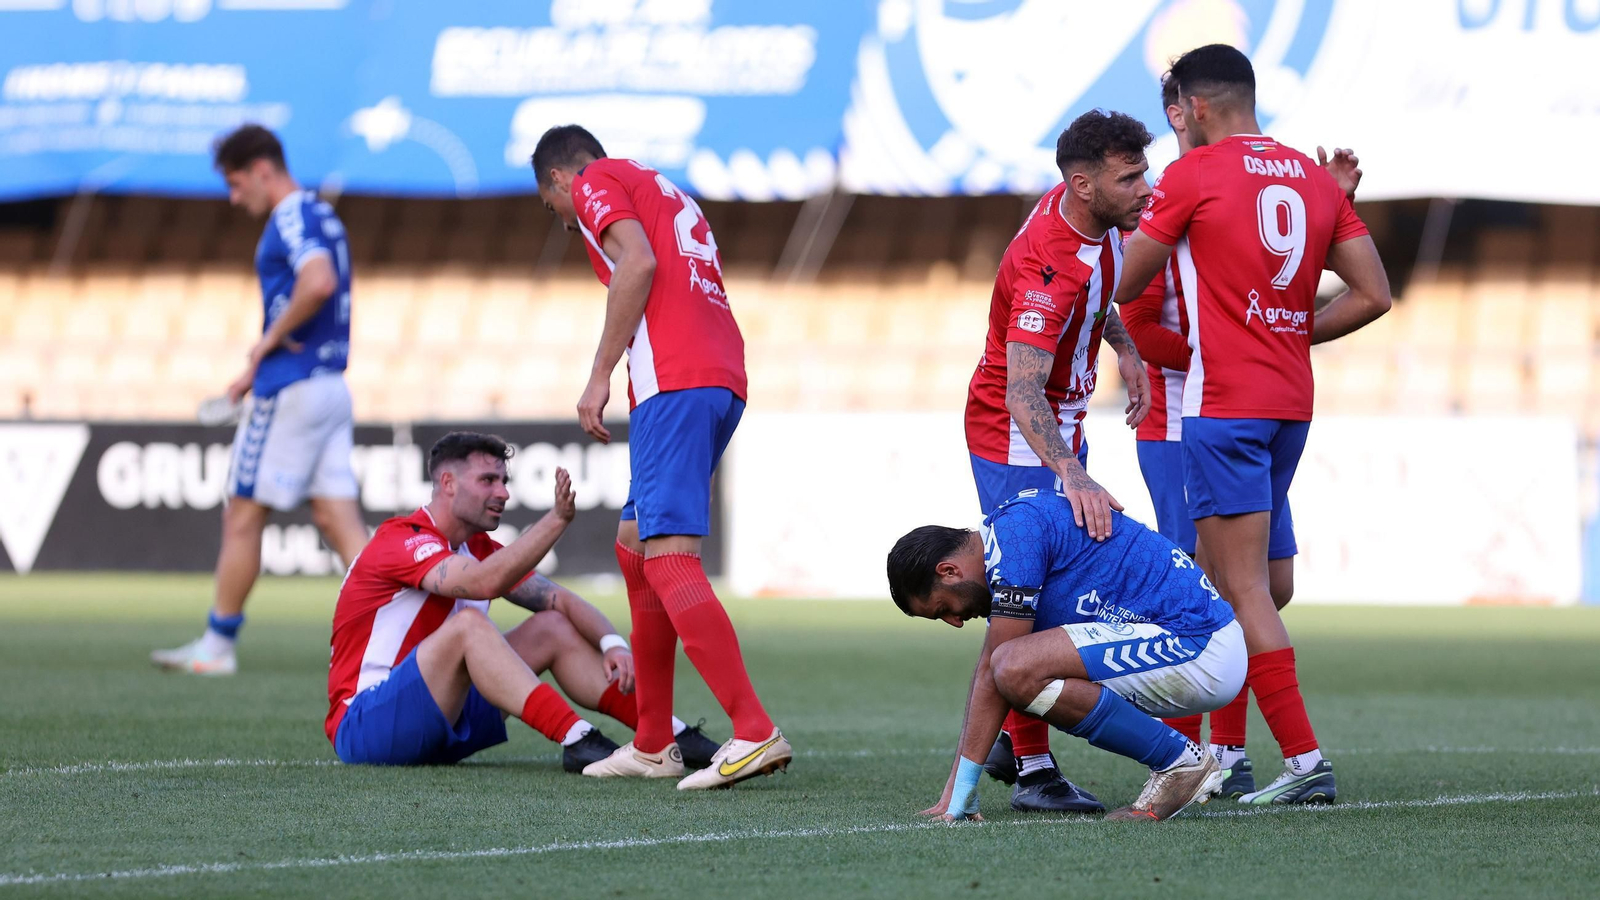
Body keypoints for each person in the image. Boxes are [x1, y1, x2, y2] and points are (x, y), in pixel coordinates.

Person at [1115, 45, 1392, 804]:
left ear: (1195, 108)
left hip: (1223, 406)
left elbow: (1128, 283)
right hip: (1289, 402)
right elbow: (1374, 294)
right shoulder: (1310, 176)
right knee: (1261, 583)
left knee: (1239, 592)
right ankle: (1232, 755)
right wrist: (1291, 331)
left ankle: (1302, 763)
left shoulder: (1190, 177)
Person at [532, 125, 789, 789]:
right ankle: (652, 741)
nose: (562, 219)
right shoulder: (664, 188)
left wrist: (598, 375)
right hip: (715, 374)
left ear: (560, 179)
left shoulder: (592, 182)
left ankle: (754, 729)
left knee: (670, 556)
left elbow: (638, 265)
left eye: (550, 204)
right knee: (633, 544)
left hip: (674, 380)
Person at [959, 109, 1155, 813]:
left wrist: (1125, 349)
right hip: (1016, 432)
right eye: (1129, 177)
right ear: (1081, 184)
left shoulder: (1094, 224)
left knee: (1048, 591)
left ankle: (1020, 740)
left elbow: (1096, 297)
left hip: (1059, 423)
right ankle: (1035, 773)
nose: (1146, 188)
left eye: (1143, 172)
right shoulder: (1049, 260)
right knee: (1030, 599)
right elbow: (1018, 389)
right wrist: (1071, 470)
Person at [326, 431, 721, 771]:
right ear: (447, 483)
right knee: (469, 629)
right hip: (365, 726)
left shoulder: (476, 547)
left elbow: (558, 600)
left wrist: (612, 643)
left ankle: (666, 733)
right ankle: (578, 738)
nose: (502, 492)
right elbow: (483, 583)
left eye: (503, 480)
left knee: (550, 627)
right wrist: (555, 521)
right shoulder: (401, 538)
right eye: (487, 480)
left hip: (441, 719)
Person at [887, 488, 1246, 821]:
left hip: (1199, 644)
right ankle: (1177, 761)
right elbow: (990, 670)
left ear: (949, 571)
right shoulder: (1007, 544)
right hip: (1189, 644)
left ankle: (1179, 762)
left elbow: (997, 670)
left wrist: (961, 790)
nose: (955, 622)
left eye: (942, 609)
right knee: (1010, 666)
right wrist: (958, 790)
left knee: (1014, 668)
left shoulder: (1015, 534)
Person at [153, 124, 367, 676]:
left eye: (235, 182)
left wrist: (265, 346)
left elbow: (316, 282)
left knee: (243, 514)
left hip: (291, 387)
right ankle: (400, 636)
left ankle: (217, 645)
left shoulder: (291, 215)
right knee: (337, 517)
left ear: (262, 170)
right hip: (329, 386)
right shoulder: (324, 214)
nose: (233, 196)